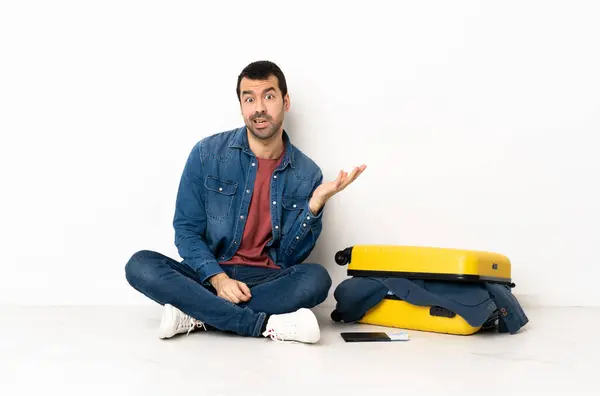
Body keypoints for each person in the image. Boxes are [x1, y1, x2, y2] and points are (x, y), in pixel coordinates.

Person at [124, 60, 366, 343]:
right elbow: (187, 230)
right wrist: (218, 279)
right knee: (140, 265)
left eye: (269, 96)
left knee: (316, 279)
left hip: (266, 280)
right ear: (241, 106)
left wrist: (313, 206)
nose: (259, 107)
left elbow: (288, 258)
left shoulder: (307, 173)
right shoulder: (206, 153)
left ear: (285, 102)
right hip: (208, 274)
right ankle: (260, 325)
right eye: (249, 98)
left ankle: (195, 314)